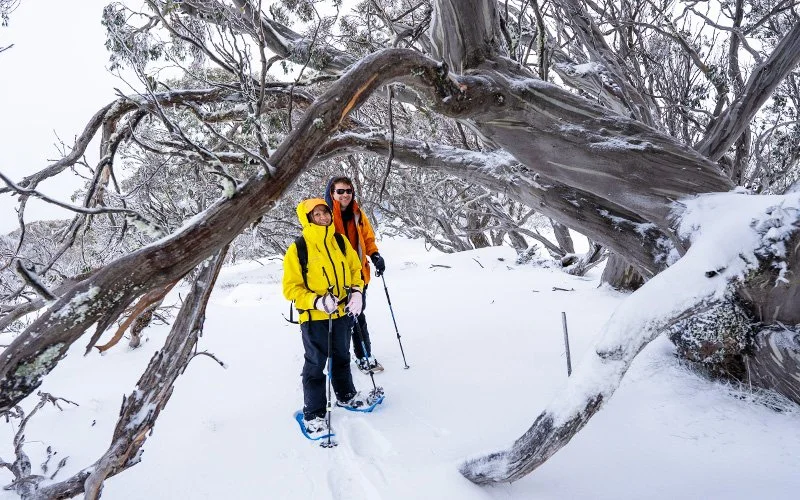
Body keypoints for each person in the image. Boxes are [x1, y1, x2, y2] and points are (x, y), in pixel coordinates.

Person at [282, 198, 378, 436]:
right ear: (308, 218)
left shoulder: (340, 241)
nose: (323, 217)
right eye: (317, 214)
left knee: (342, 356)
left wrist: (357, 292)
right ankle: (314, 414)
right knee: (316, 364)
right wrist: (316, 301)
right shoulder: (299, 248)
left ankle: (346, 395)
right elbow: (291, 289)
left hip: (342, 313)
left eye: (325, 212)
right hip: (314, 317)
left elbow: (355, 270)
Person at [325, 176, 386, 373]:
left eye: (348, 191)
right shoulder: (326, 215)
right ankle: (338, 359)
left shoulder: (358, 213)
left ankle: (363, 355)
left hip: (358, 275)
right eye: (340, 191)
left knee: (357, 315)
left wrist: (375, 255)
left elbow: (367, 238)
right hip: (335, 278)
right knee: (338, 319)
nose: (345, 195)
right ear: (332, 193)